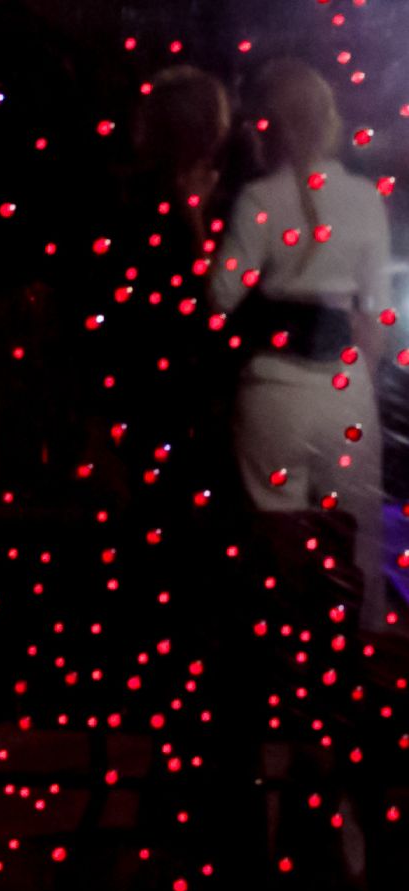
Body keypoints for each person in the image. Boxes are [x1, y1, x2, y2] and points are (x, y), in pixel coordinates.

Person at [208, 57, 394, 639]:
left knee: (278, 546)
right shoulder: (364, 197)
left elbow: (218, 298)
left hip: (273, 392)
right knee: (353, 543)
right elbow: (375, 311)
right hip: (343, 391)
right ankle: (348, 663)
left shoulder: (258, 198)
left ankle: (285, 663)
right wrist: (357, 385)